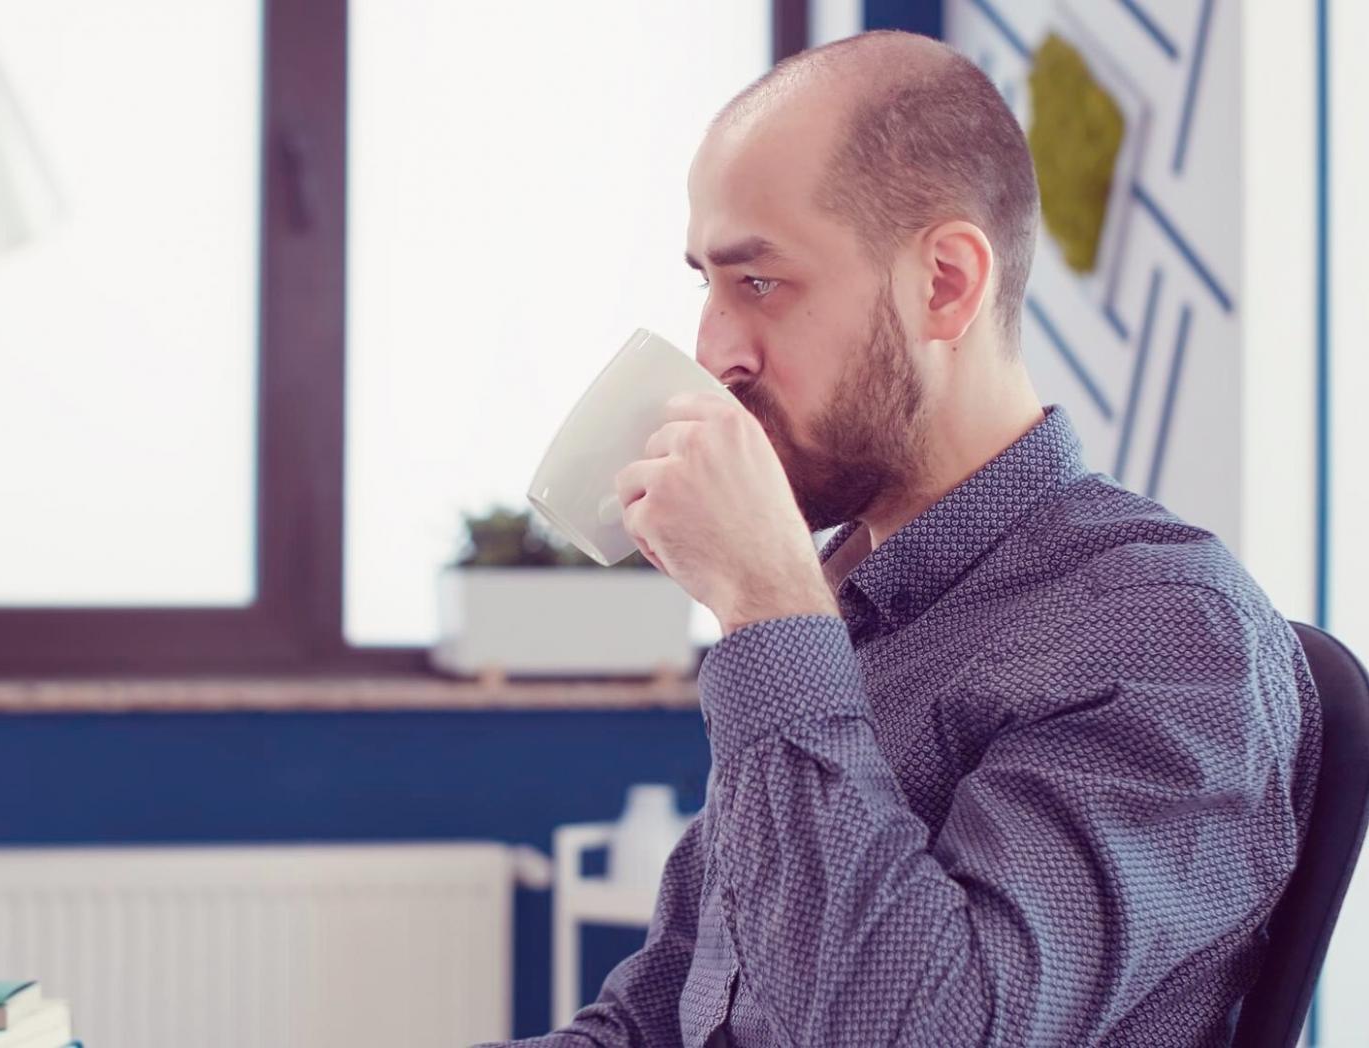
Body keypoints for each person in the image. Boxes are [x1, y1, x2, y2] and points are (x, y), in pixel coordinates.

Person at [485, 30, 1320, 1048]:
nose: (711, 348)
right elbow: (659, 1018)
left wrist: (766, 610)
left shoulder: (1165, 633)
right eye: (704, 280)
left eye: (757, 282)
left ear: (944, 285)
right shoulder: (847, 602)